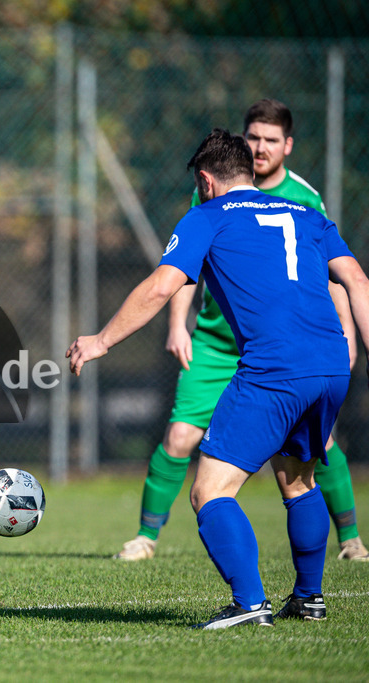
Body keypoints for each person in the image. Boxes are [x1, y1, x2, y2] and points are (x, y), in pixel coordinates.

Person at [68, 128, 369, 628]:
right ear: (249, 170)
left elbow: (163, 284)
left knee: (209, 492)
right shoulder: (311, 216)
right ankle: (309, 597)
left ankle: (250, 604)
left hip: (274, 369)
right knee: (298, 480)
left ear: (206, 180)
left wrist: (100, 341)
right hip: (331, 364)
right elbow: (357, 280)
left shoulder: (206, 216)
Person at [115, 99, 368, 562]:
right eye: (252, 137)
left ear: (287, 146)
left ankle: (340, 545)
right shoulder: (213, 203)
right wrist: (179, 325)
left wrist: (350, 332)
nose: (259, 147)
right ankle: (146, 537)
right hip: (223, 342)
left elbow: (328, 281)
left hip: (275, 354)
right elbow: (189, 271)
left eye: (270, 139)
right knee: (189, 441)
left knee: (218, 487)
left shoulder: (304, 200)